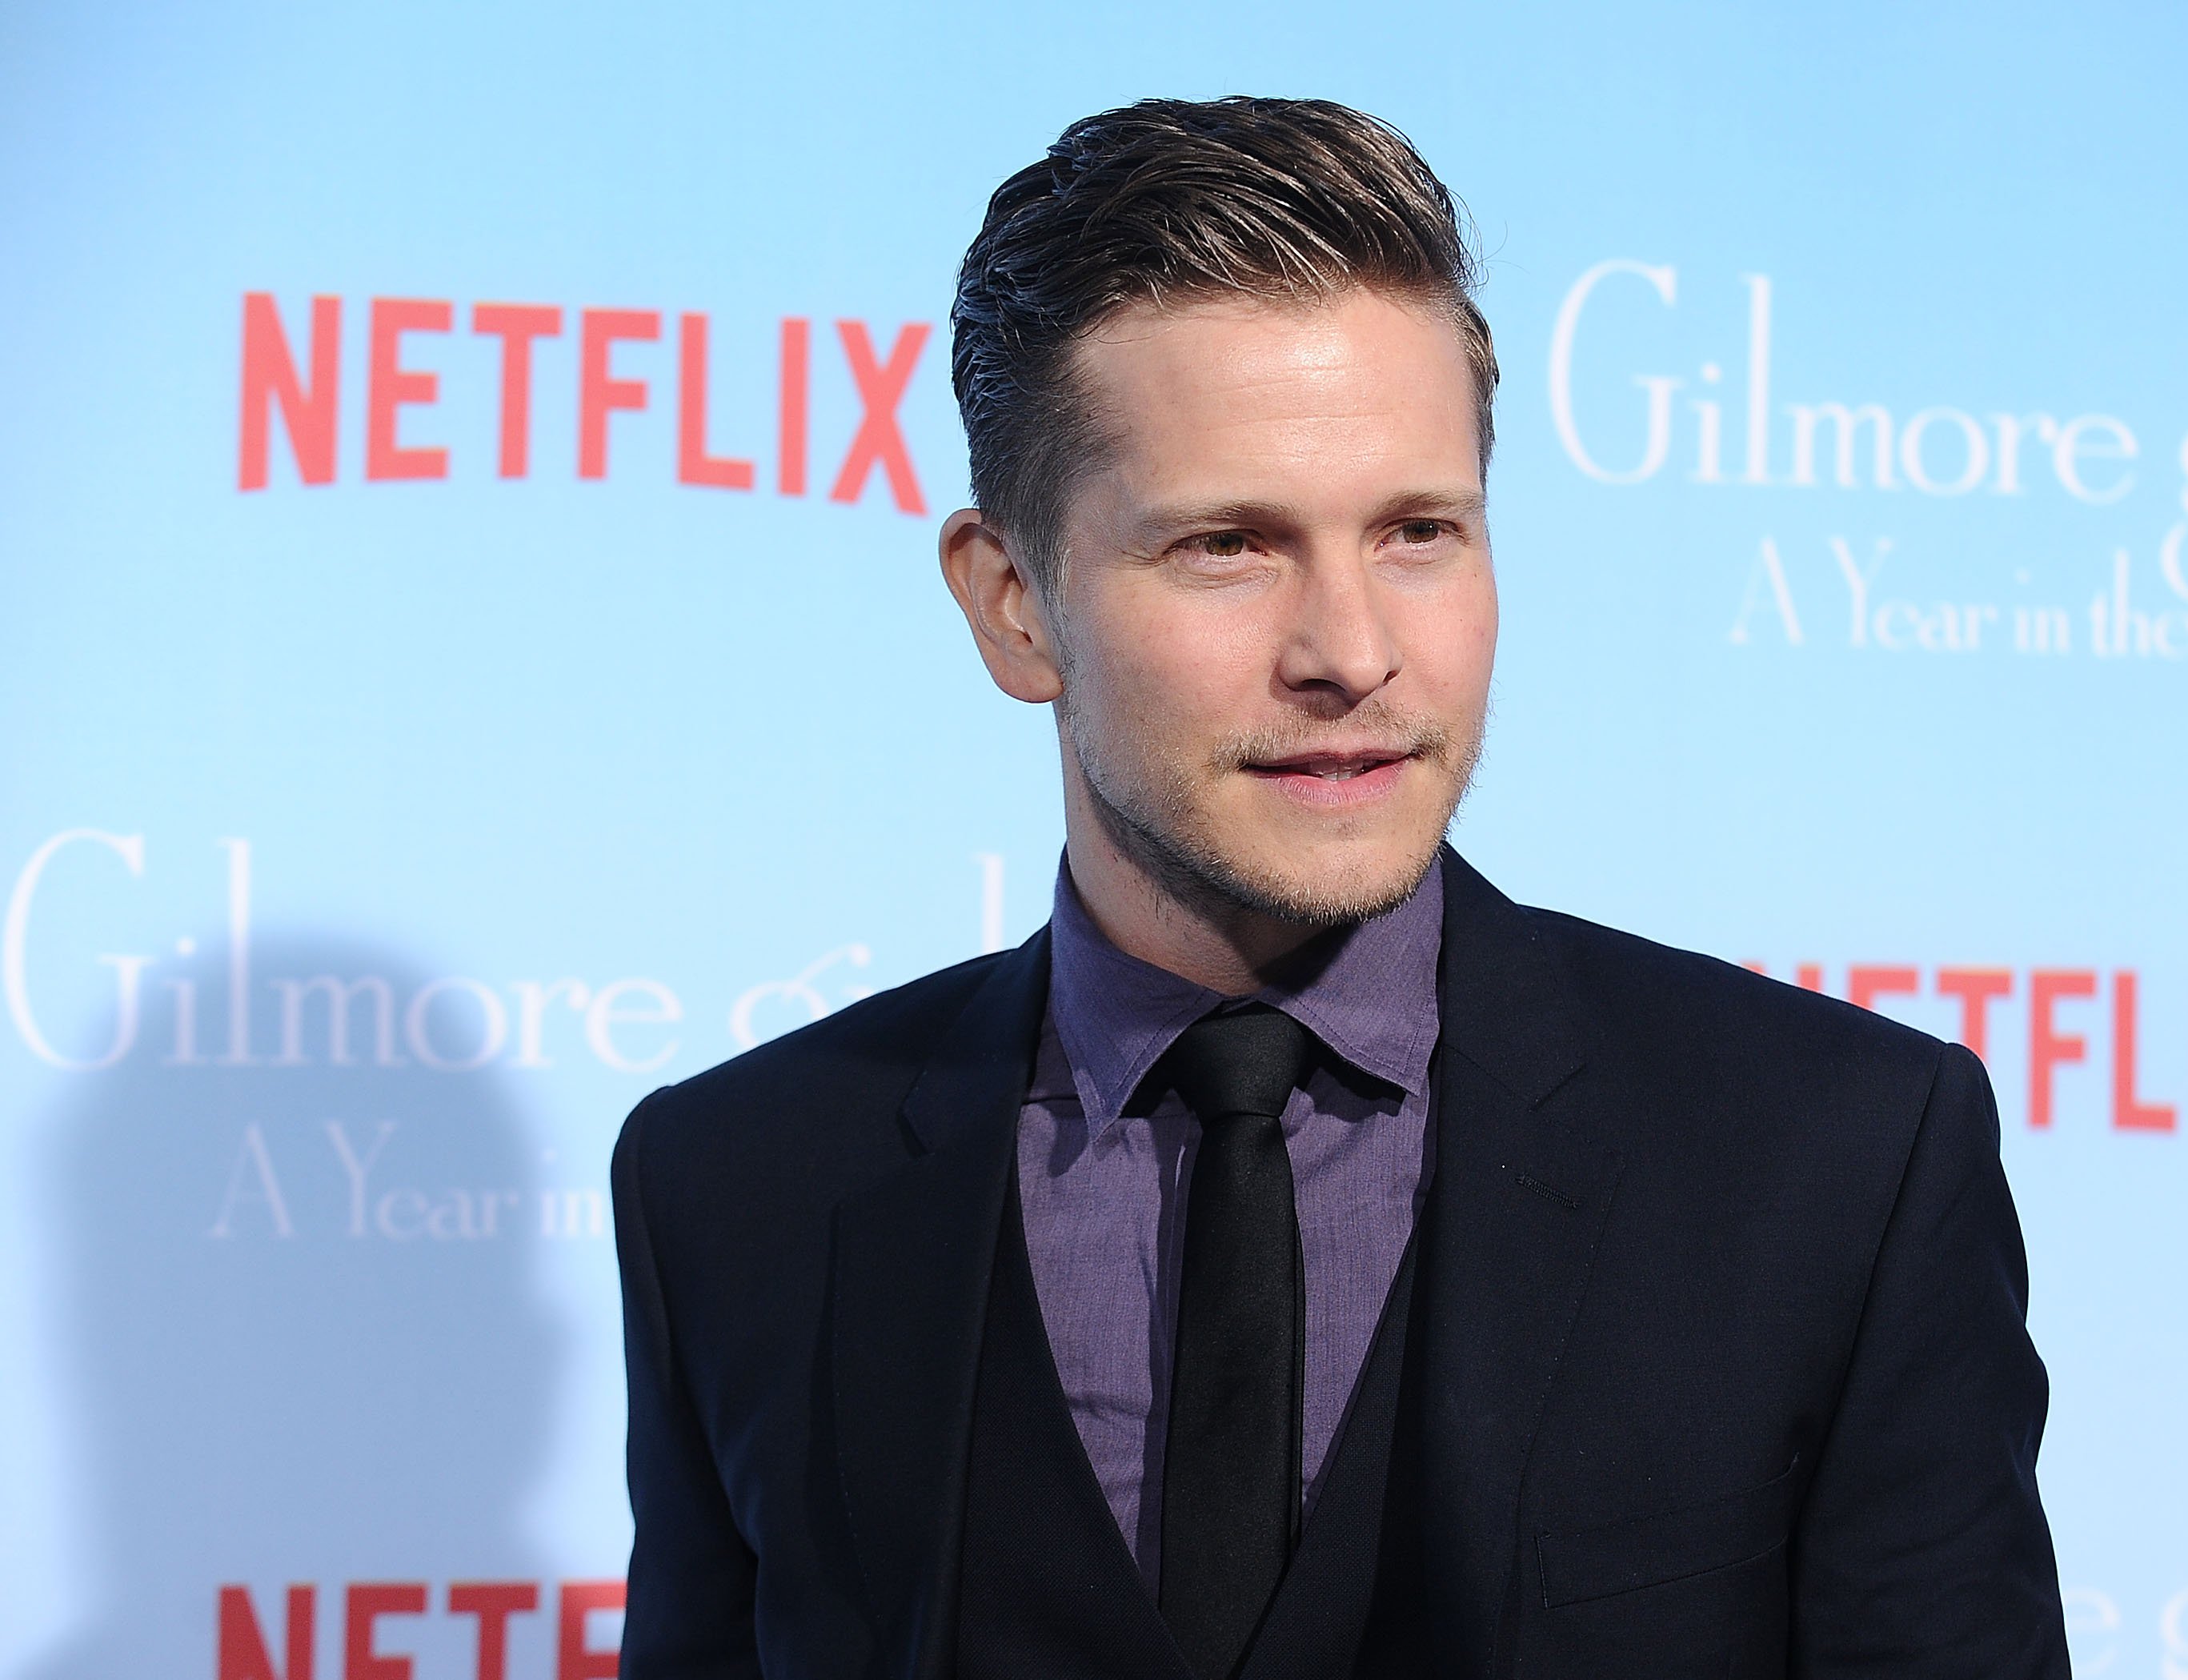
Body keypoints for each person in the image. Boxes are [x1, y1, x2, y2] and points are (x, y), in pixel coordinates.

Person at [611, 96, 2072, 1679]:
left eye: (1418, 532)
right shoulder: (738, 1191)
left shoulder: (1838, 1162)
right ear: (1013, 605)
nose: (1355, 653)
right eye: (1233, 545)